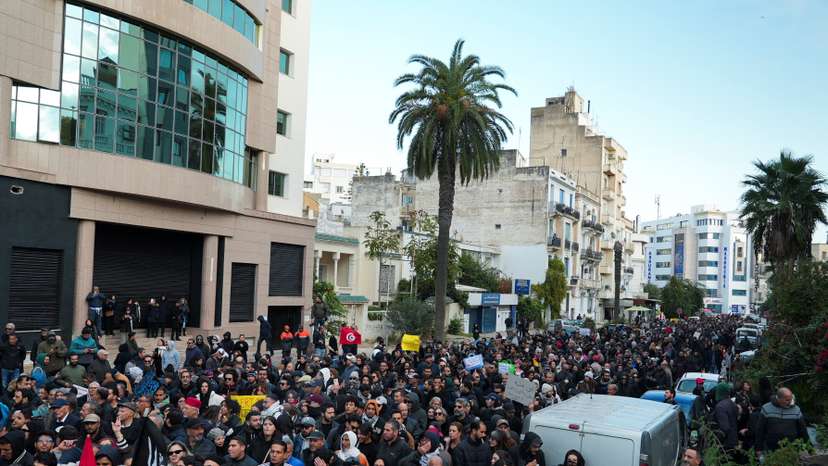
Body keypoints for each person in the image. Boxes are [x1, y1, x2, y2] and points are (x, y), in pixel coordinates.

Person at [754, 387, 809, 453]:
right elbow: (760, 430)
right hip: (771, 449)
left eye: (791, 399)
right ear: (779, 398)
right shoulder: (766, 409)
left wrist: (809, 448)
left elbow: (803, 429)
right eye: (787, 400)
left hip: (792, 448)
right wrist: (758, 448)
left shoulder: (796, 409)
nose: (790, 402)